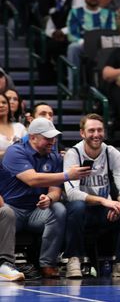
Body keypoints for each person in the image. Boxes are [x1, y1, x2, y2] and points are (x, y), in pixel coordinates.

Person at [0, 118, 91, 278]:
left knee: (58, 209)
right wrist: (67, 175)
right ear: (33, 137)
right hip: (12, 208)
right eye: (48, 138)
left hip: (36, 210)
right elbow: (32, 179)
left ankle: (47, 263)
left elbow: (55, 190)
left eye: (54, 137)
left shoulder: (54, 157)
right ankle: (6, 265)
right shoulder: (16, 151)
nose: (52, 141)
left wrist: (49, 198)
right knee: (6, 212)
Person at [63, 114, 120, 278]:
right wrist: (104, 201)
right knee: (76, 206)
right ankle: (73, 260)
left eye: (99, 130)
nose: (96, 134)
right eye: (91, 130)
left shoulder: (112, 153)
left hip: (104, 212)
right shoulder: (74, 154)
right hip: (83, 212)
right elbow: (71, 194)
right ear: (82, 133)